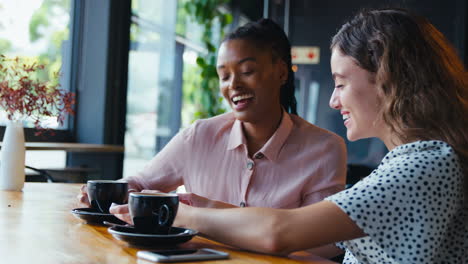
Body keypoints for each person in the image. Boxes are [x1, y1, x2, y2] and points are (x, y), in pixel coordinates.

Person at [153, 8, 467, 263]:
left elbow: (280, 232)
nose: (333, 100)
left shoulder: (423, 167)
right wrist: (204, 207)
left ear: (388, 80)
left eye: (341, 83)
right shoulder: (418, 162)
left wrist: (181, 215)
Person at [79, 19, 346, 211]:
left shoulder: (324, 149)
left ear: (281, 72)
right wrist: (105, 193)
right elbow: (140, 183)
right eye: (224, 76)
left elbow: (322, 244)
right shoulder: (199, 136)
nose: (234, 85)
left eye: (247, 71)